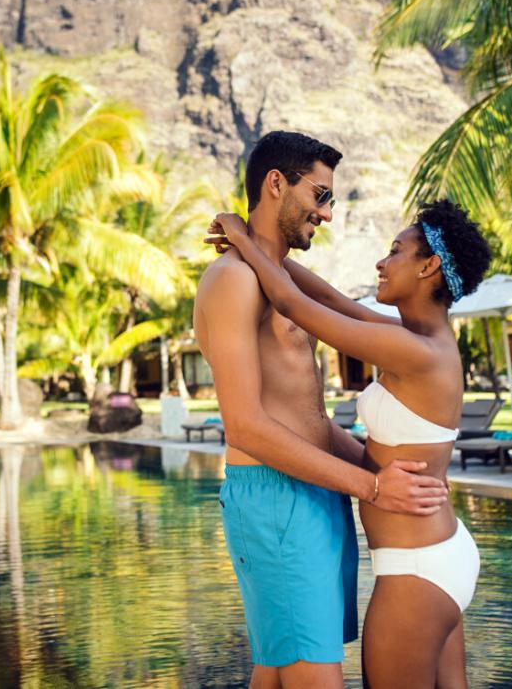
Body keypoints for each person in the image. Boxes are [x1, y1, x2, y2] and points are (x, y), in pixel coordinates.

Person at [194, 131, 451, 689]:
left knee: (280, 670)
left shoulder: (276, 280)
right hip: (276, 499)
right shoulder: (232, 281)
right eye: (320, 195)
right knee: (310, 672)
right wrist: (374, 488)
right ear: (276, 184)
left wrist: (387, 474)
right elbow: (245, 427)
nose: (327, 213)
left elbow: (309, 419)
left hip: (318, 493)